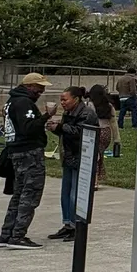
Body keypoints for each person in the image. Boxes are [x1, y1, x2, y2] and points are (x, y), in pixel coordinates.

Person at [0, 73, 53, 250]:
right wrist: (46, 116)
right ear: (29, 86)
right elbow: (28, 128)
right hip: (28, 153)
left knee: (19, 193)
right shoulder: (23, 103)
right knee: (30, 194)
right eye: (39, 87)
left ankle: (6, 234)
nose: (42, 91)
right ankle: (18, 235)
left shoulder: (12, 101)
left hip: (16, 152)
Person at [44, 86, 99, 242]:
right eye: (61, 99)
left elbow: (81, 132)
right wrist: (55, 128)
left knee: (76, 193)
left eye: (65, 99)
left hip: (81, 156)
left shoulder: (87, 113)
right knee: (65, 192)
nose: (62, 102)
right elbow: (66, 132)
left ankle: (76, 226)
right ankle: (67, 223)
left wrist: (60, 127)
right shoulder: (68, 112)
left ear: (76, 99)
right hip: (68, 156)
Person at [87, 83, 119, 165]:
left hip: (95, 132)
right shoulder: (109, 106)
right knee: (100, 155)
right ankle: (100, 171)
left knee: (93, 156)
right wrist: (116, 139)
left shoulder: (90, 105)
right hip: (106, 133)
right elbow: (114, 123)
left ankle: (96, 173)